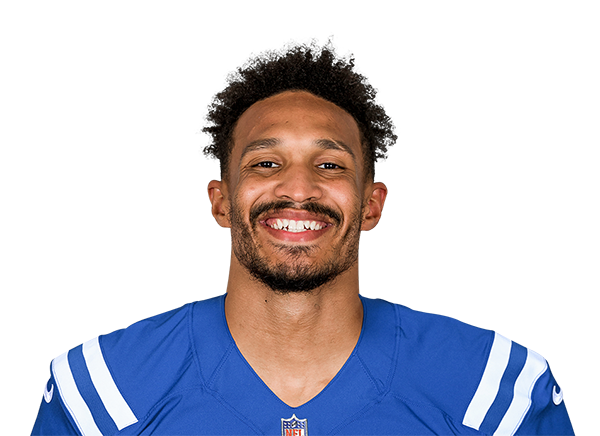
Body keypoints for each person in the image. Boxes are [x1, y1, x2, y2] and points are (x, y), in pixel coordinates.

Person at [32, 43, 574, 435]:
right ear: (221, 201)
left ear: (371, 205)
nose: (298, 189)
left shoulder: (491, 391)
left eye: (330, 165)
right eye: (266, 163)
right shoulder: (106, 391)